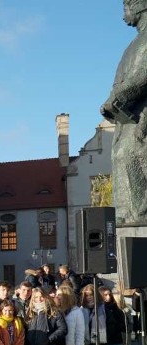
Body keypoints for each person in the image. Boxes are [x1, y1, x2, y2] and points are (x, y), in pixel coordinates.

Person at [101, 0, 147, 224]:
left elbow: (141, 76)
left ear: (139, 6)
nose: (123, 16)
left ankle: (139, 213)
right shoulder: (136, 43)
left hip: (140, 116)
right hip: (128, 117)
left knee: (129, 155)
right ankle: (126, 214)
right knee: (121, 156)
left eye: (125, 8)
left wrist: (117, 98)